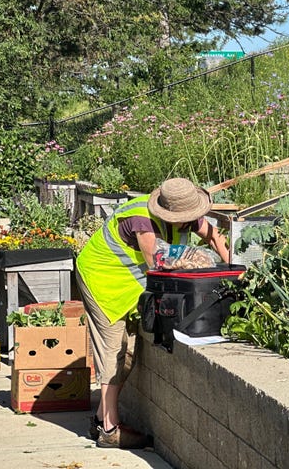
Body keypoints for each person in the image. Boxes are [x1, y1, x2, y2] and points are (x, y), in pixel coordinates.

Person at [76, 177, 229, 448]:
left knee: (132, 351)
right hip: (103, 278)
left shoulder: (188, 217)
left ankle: (101, 417)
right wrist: (196, 259)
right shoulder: (141, 219)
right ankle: (110, 430)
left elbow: (215, 236)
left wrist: (231, 269)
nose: (191, 222)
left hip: (133, 283)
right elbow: (158, 262)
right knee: (113, 348)